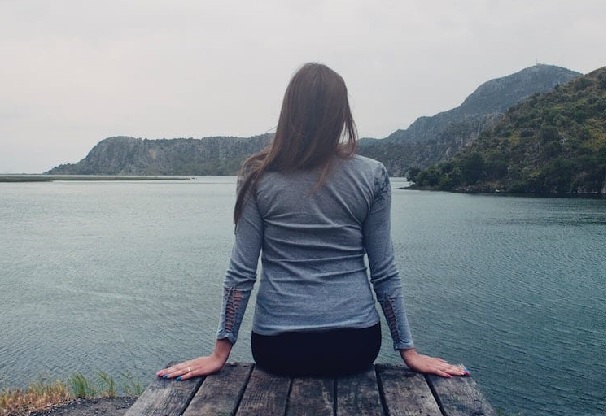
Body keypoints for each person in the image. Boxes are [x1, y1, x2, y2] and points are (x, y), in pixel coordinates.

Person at [158, 63, 466, 380]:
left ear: (289, 111)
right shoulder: (372, 175)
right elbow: (384, 270)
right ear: (341, 115)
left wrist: (220, 352)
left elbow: (241, 273)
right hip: (356, 346)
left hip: (277, 349)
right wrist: (408, 350)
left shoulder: (257, 177)